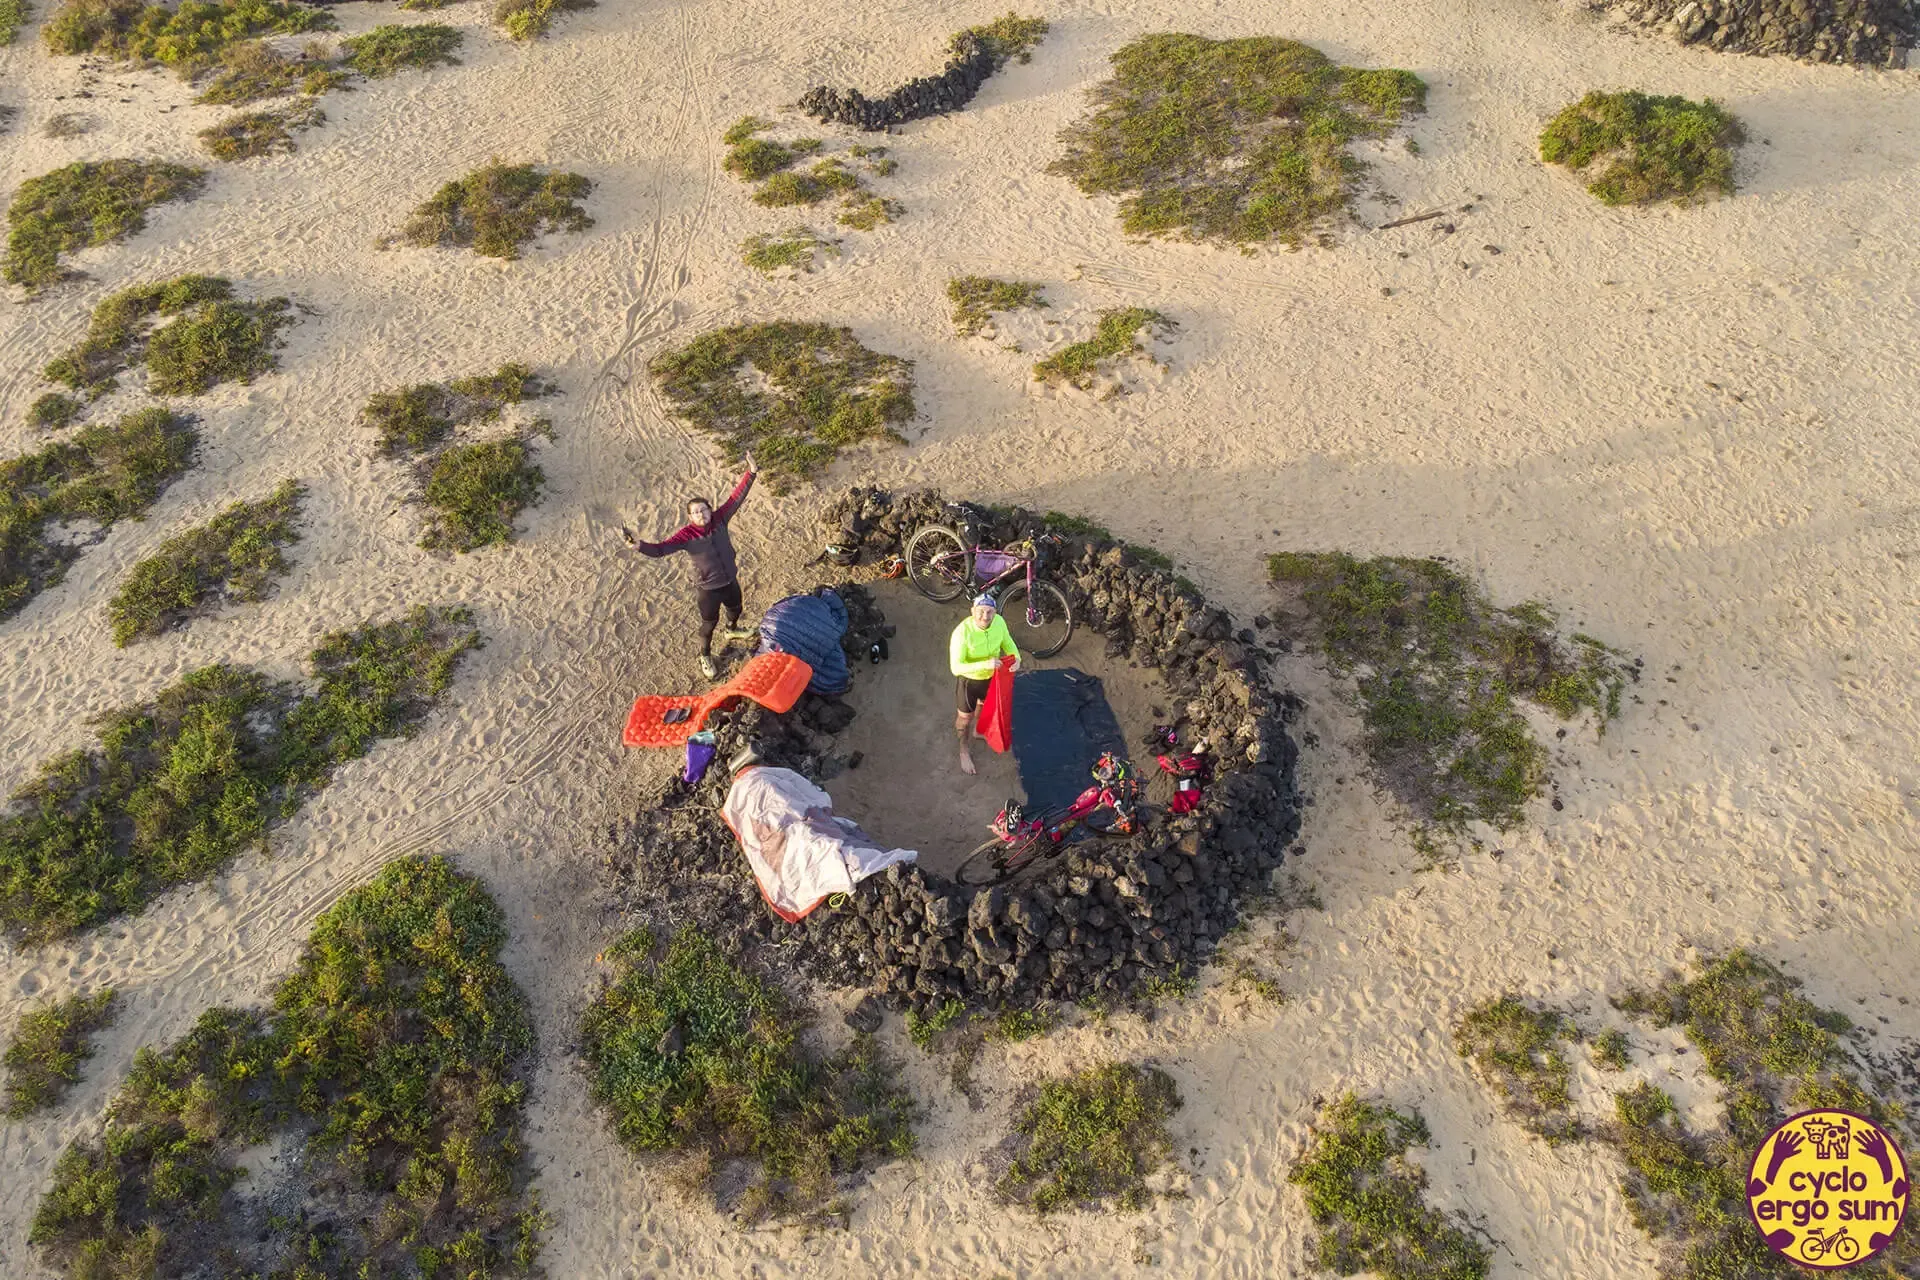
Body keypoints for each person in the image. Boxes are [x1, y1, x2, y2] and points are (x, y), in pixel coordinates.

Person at [622, 454, 758, 680]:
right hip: (709, 589)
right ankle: (705, 655)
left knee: (736, 609)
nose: (701, 515)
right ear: (689, 516)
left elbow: (736, 497)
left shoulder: (720, 519)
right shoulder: (686, 536)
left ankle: (732, 629)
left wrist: (751, 472)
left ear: (710, 509)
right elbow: (660, 550)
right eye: (695, 512)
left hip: (730, 580)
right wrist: (639, 546)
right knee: (708, 624)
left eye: (704, 510)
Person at [950, 593, 1019, 775]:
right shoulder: (962, 632)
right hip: (969, 681)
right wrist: (984, 664)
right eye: (980, 611)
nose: (985, 617)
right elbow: (956, 667)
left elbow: (1008, 641)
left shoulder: (999, 622)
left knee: (984, 705)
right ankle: (963, 750)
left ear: (995, 612)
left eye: (990, 612)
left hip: (991, 677)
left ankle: (978, 732)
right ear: (972, 611)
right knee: (965, 719)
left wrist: (1016, 658)